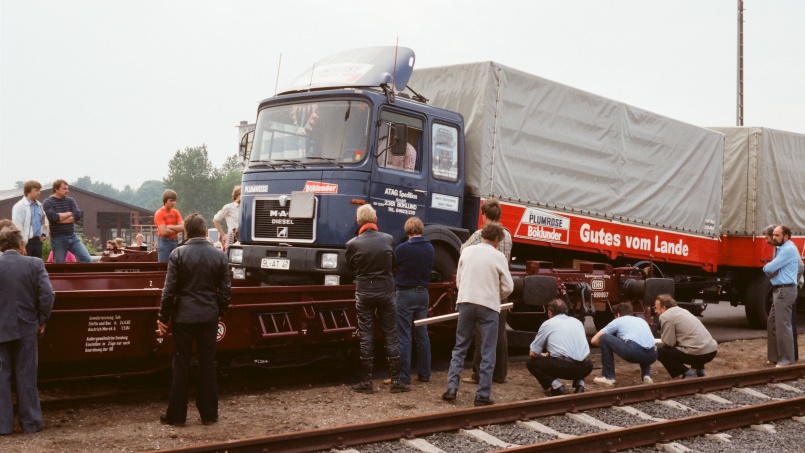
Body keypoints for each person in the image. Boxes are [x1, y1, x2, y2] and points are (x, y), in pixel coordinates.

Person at [157, 214, 231, 426]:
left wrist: (163, 317)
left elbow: (169, 290)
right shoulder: (219, 256)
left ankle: (176, 416)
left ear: (186, 232)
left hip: (183, 317)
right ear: (206, 231)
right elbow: (226, 291)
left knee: (180, 365)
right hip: (209, 316)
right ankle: (209, 415)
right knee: (208, 364)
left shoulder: (177, 254)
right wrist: (218, 310)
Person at [442, 223, 513, 406]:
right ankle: (482, 395)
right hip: (488, 305)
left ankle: (451, 388)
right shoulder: (499, 257)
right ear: (497, 239)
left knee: (460, 347)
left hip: (466, 302)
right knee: (487, 350)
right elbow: (508, 287)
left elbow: (459, 279)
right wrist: (496, 295)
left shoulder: (467, 252)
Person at [345, 204, 408, 393]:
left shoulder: (352, 244)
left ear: (358, 221)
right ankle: (396, 382)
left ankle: (366, 383)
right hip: (386, 292)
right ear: (375, 220)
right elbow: (394, 263)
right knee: (391, 335)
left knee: (366, 337)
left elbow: (348, 267)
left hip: (364, 292)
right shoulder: (388, 239)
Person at [0, 224, 55, 434]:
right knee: (27, 375)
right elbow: (47, 295)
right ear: (21, 245)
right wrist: (41, 318)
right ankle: (30, 423)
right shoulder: (35, 263)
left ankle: (3, 426)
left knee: (1, 376)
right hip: (26, 326)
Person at [461, 198, 512, 385]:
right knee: (500, 333)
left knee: (481, 333)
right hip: (501, 290)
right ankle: (500, 374)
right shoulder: (507, 235)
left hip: (484, 288)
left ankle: (478, 374)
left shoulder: (479, 235)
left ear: (484, 215)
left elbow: (463, 251)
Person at [393, 217, 435, 385]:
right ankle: (424, 374)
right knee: (422, 334)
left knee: (404, 335)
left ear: (407, 230)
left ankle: (404, 376)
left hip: (405, 293)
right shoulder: (430, 247)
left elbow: (393, 265)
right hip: (423, 293)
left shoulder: (402, 249)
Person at [526, 299, 593, 396]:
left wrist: (545, 355)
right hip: (586, 367)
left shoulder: (548, 324)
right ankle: (580, 385)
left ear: (550, 312)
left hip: (565, 368)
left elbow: (533, 353)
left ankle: (558, 387)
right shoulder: (577, 322)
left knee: (531, 363)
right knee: (578, 355)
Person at [591, 302, 657, 386]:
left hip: (634, 352)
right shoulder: (642, 321)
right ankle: (647, 375)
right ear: (631, 313)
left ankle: (609, 378)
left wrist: (607, 347)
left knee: (604, 338)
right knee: (643, 343)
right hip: (652, 355)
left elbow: (593, 340)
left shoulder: (618, 320)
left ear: (617, 315)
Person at [763, 225, 801, 367]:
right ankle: (774, 357)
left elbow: (769, 268)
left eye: (777, 235)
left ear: (786, 236)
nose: (774, 238)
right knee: (772, 323)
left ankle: (786, 360)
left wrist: (769, 268)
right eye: (773, 235)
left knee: (783, 326)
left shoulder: (788, 249)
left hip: (785, 291)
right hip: (780, 290)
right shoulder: (783, 248)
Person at [654, 294, 717, 378]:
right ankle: (699, 370)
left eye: (656, 308)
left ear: (664, 308)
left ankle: (687, 373)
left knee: (660, 352)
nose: (655, 311)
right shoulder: (682, 310)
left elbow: (669, 343)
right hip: (711, 351)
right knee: (692, 341)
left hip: (699, 354)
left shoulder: (665, 316)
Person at [42, 179, 92, 263]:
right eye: (64, 189)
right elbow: (53, 217)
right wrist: (69, 213)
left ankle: (80, 276)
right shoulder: (47, 202)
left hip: (72, 236)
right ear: (56, 189)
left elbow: (77, 214)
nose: (67, 191)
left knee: (87, 259)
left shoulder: (70, 200)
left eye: (67, 188)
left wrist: (60, 219)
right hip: (58, 239)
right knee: (59, 264)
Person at [11, 180, 48, 259]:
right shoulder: (19, 206)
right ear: (28, 191)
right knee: (25, 267)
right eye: (36, 190)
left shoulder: (39, 205)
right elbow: (17, 226)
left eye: (39, 190)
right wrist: (21, 244)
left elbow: (43, 222)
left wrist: (43, 235)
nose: (39, 193)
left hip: (37, 241)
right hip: (26, 242)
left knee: (36, 266)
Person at [154, 190, 185, 262]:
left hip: (175, 241)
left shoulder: (175, 212)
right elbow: (164, 232)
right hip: (164, 242)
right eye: (171, 201)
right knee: (164, 266)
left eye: (174, 201)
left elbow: (183, 227)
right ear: (165, 201)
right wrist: (177, 229)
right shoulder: (159, 213)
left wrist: (170, 226)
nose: (173, 203)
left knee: (176, 265)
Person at [213, 186, 241, 252]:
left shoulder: (247, 208)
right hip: (233, 236)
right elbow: (215, 220)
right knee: (230, 256)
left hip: (245, 235)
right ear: (237, 195)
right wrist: (222, 235)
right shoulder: (229, 207)